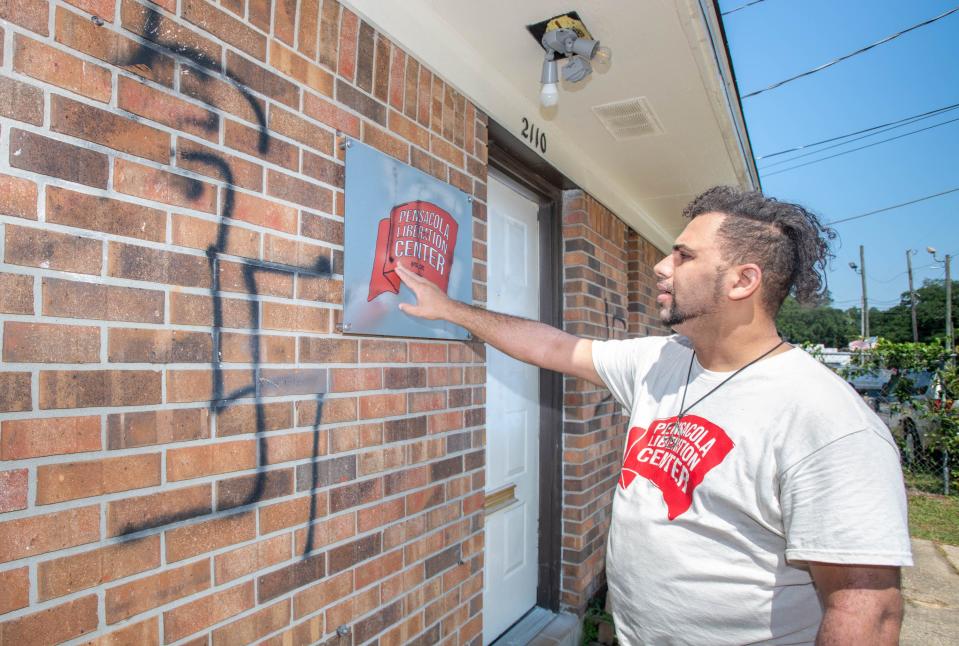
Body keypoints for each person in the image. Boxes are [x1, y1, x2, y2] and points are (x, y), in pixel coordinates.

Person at [395, 185, 913, 645]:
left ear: (741, 281)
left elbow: (867, 611)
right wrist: (450, 309)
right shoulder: (662, 361)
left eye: (684, 255)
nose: (663, 266)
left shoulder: (825, 419)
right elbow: (554, 347)